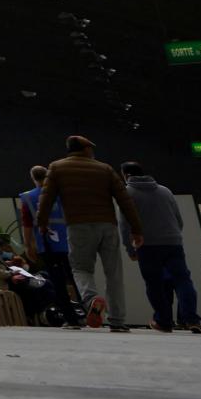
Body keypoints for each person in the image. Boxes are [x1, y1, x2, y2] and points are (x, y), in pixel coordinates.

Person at [39, 134, 143, 331]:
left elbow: (46, 198)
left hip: (78, 226)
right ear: (85, 149)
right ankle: (117, 321)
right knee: (114, 273)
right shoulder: (104, 168)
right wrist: (136, 229)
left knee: (80, 269)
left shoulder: (56, 167)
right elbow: (125, 202)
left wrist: (42, 223)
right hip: (107, 226)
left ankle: (92, 300)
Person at [123, 162, 201, 333]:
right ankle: (192, 319)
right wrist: (172, 235)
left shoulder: (128, 192)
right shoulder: (165, 190)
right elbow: (178, 219)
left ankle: (164, 321)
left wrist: (130, 249)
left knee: (154, 284)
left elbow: (124, 224)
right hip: (173, 243)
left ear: (125, 175)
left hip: (147, 244)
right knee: (183, 280)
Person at [17, 162, 83, 325]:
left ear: (33, 178)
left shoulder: (28, 198)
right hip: (69, 242)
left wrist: (28, 246)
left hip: (47, 245)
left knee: (58, 282)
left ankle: (71, 319)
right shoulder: (62, 194)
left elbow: (27, 224)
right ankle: (89, 312)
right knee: (77, 279)